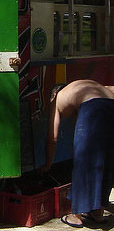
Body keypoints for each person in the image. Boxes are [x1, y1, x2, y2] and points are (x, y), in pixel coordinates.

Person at [43, 79, 114, 228]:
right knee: (105, 160)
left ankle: (76, 215)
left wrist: (47, 165)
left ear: (53, 94)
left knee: (84, 161)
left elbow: (52, 138)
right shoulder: (83, 86)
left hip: (94, 109)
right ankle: (97, 213)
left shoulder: (58, 97)